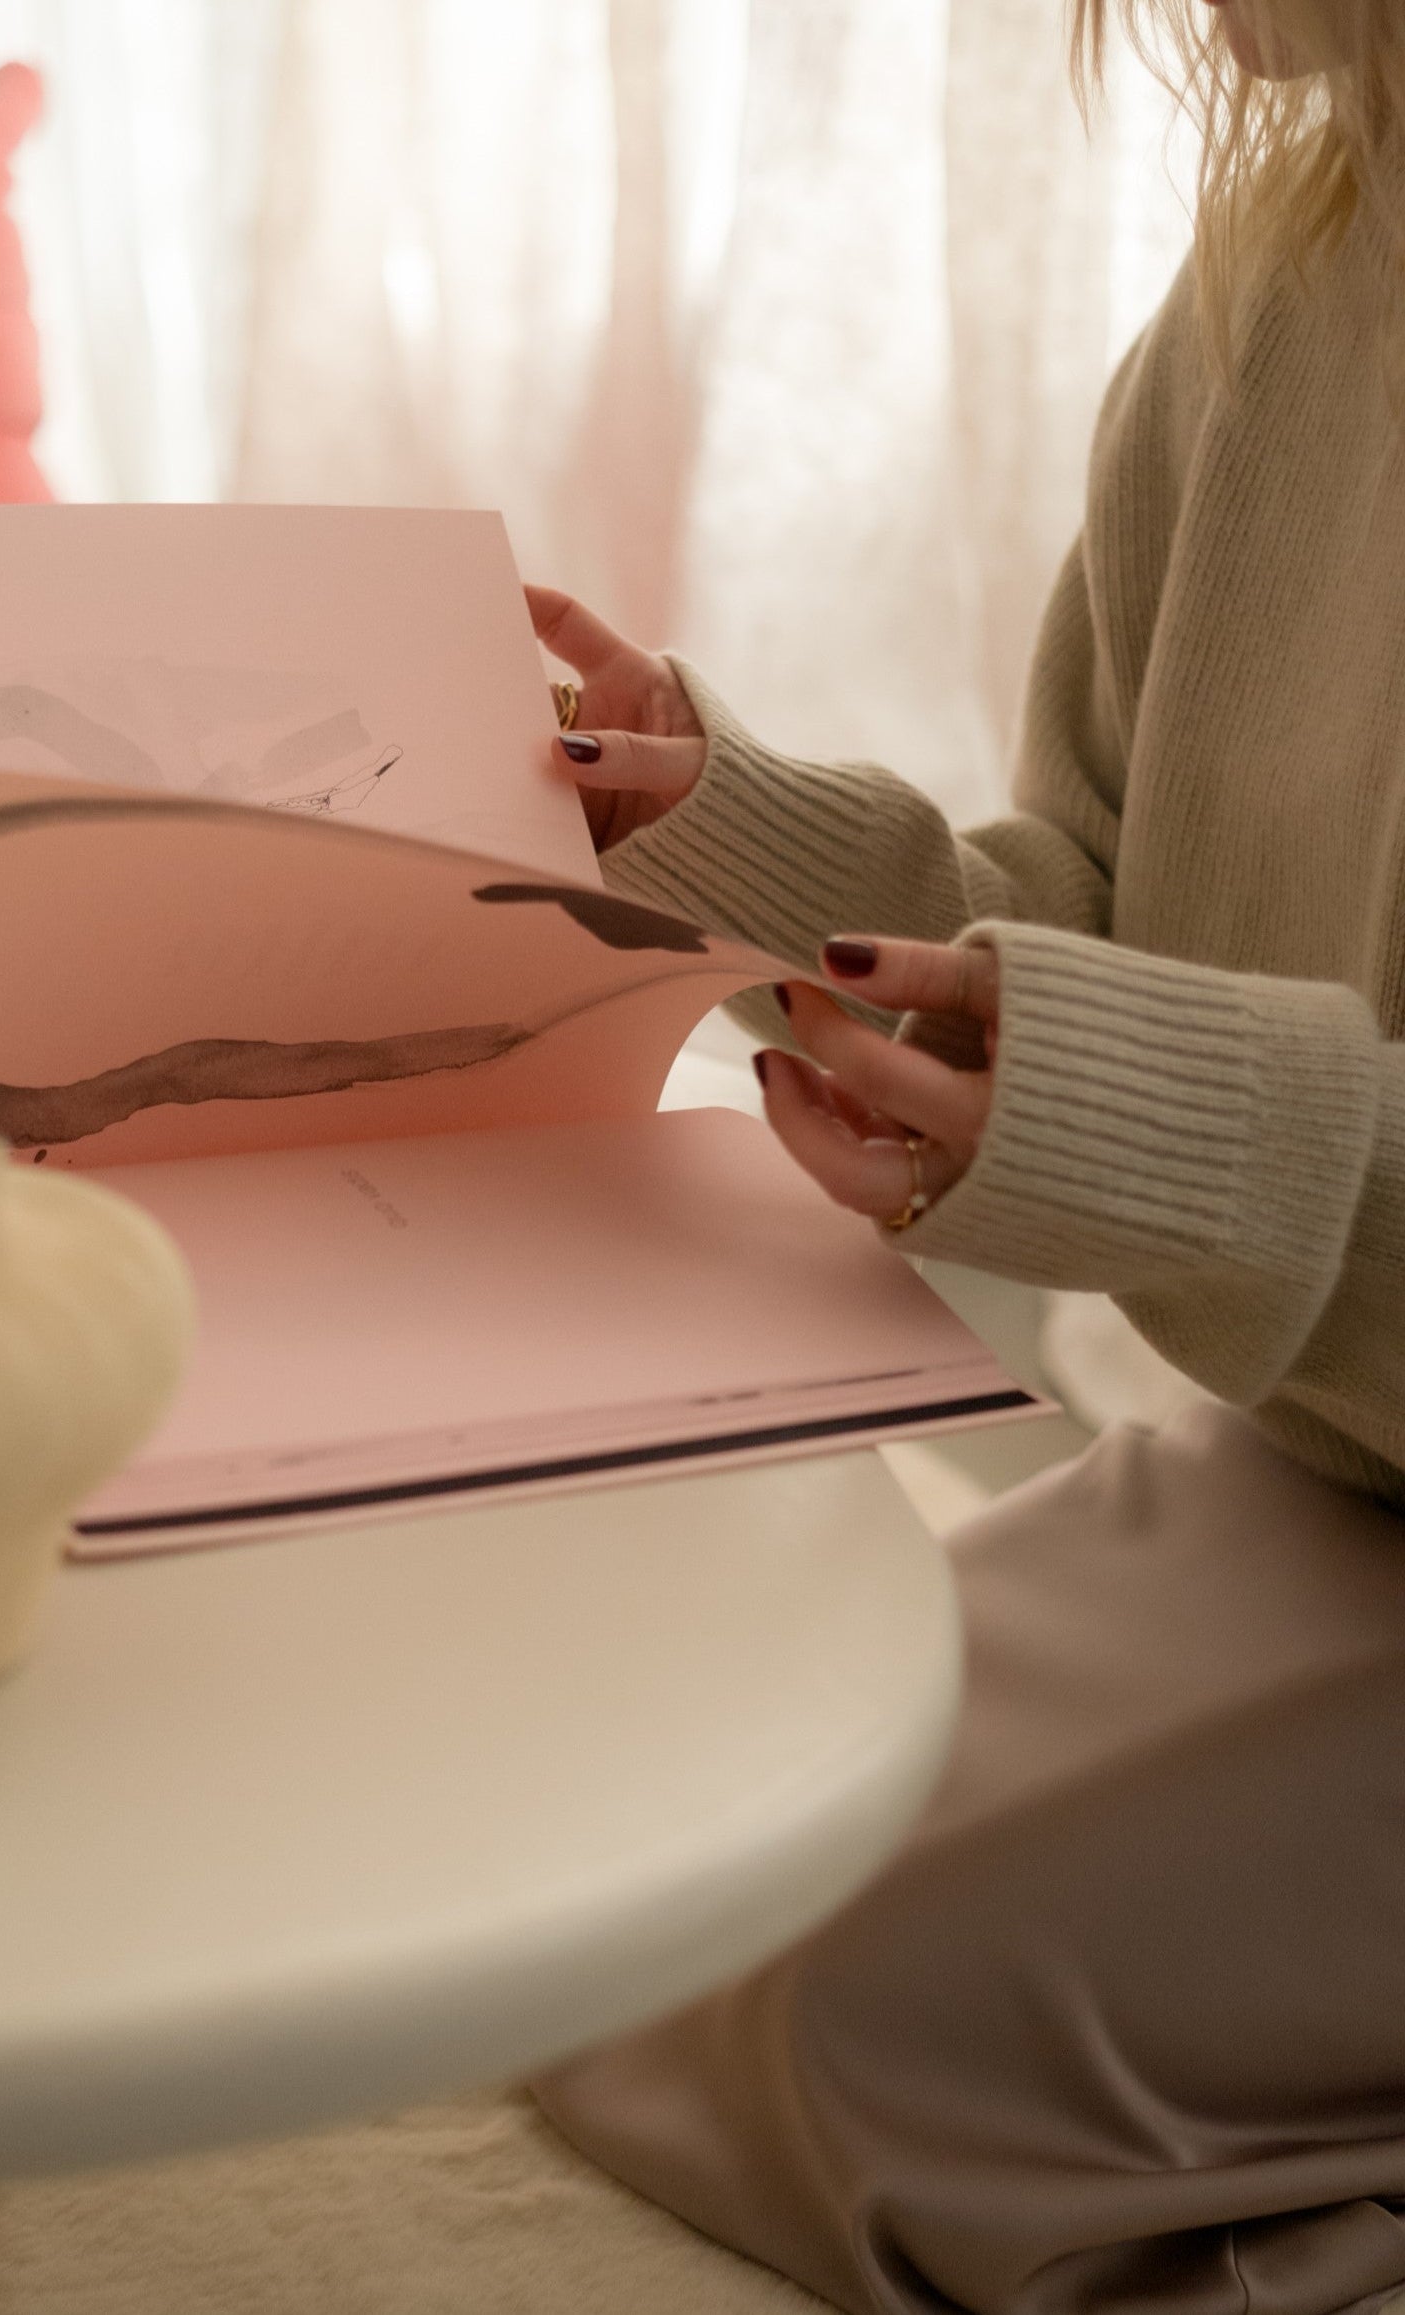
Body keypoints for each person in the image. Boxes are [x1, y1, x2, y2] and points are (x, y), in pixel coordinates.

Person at [521, 2, 1405, 2310]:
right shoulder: (1274, 285)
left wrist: (1178, 1128)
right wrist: (710, 827)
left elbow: (1182, 1069)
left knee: (858, 2023)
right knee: (653, 1866)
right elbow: (1114, 902)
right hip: (1331, 1467)